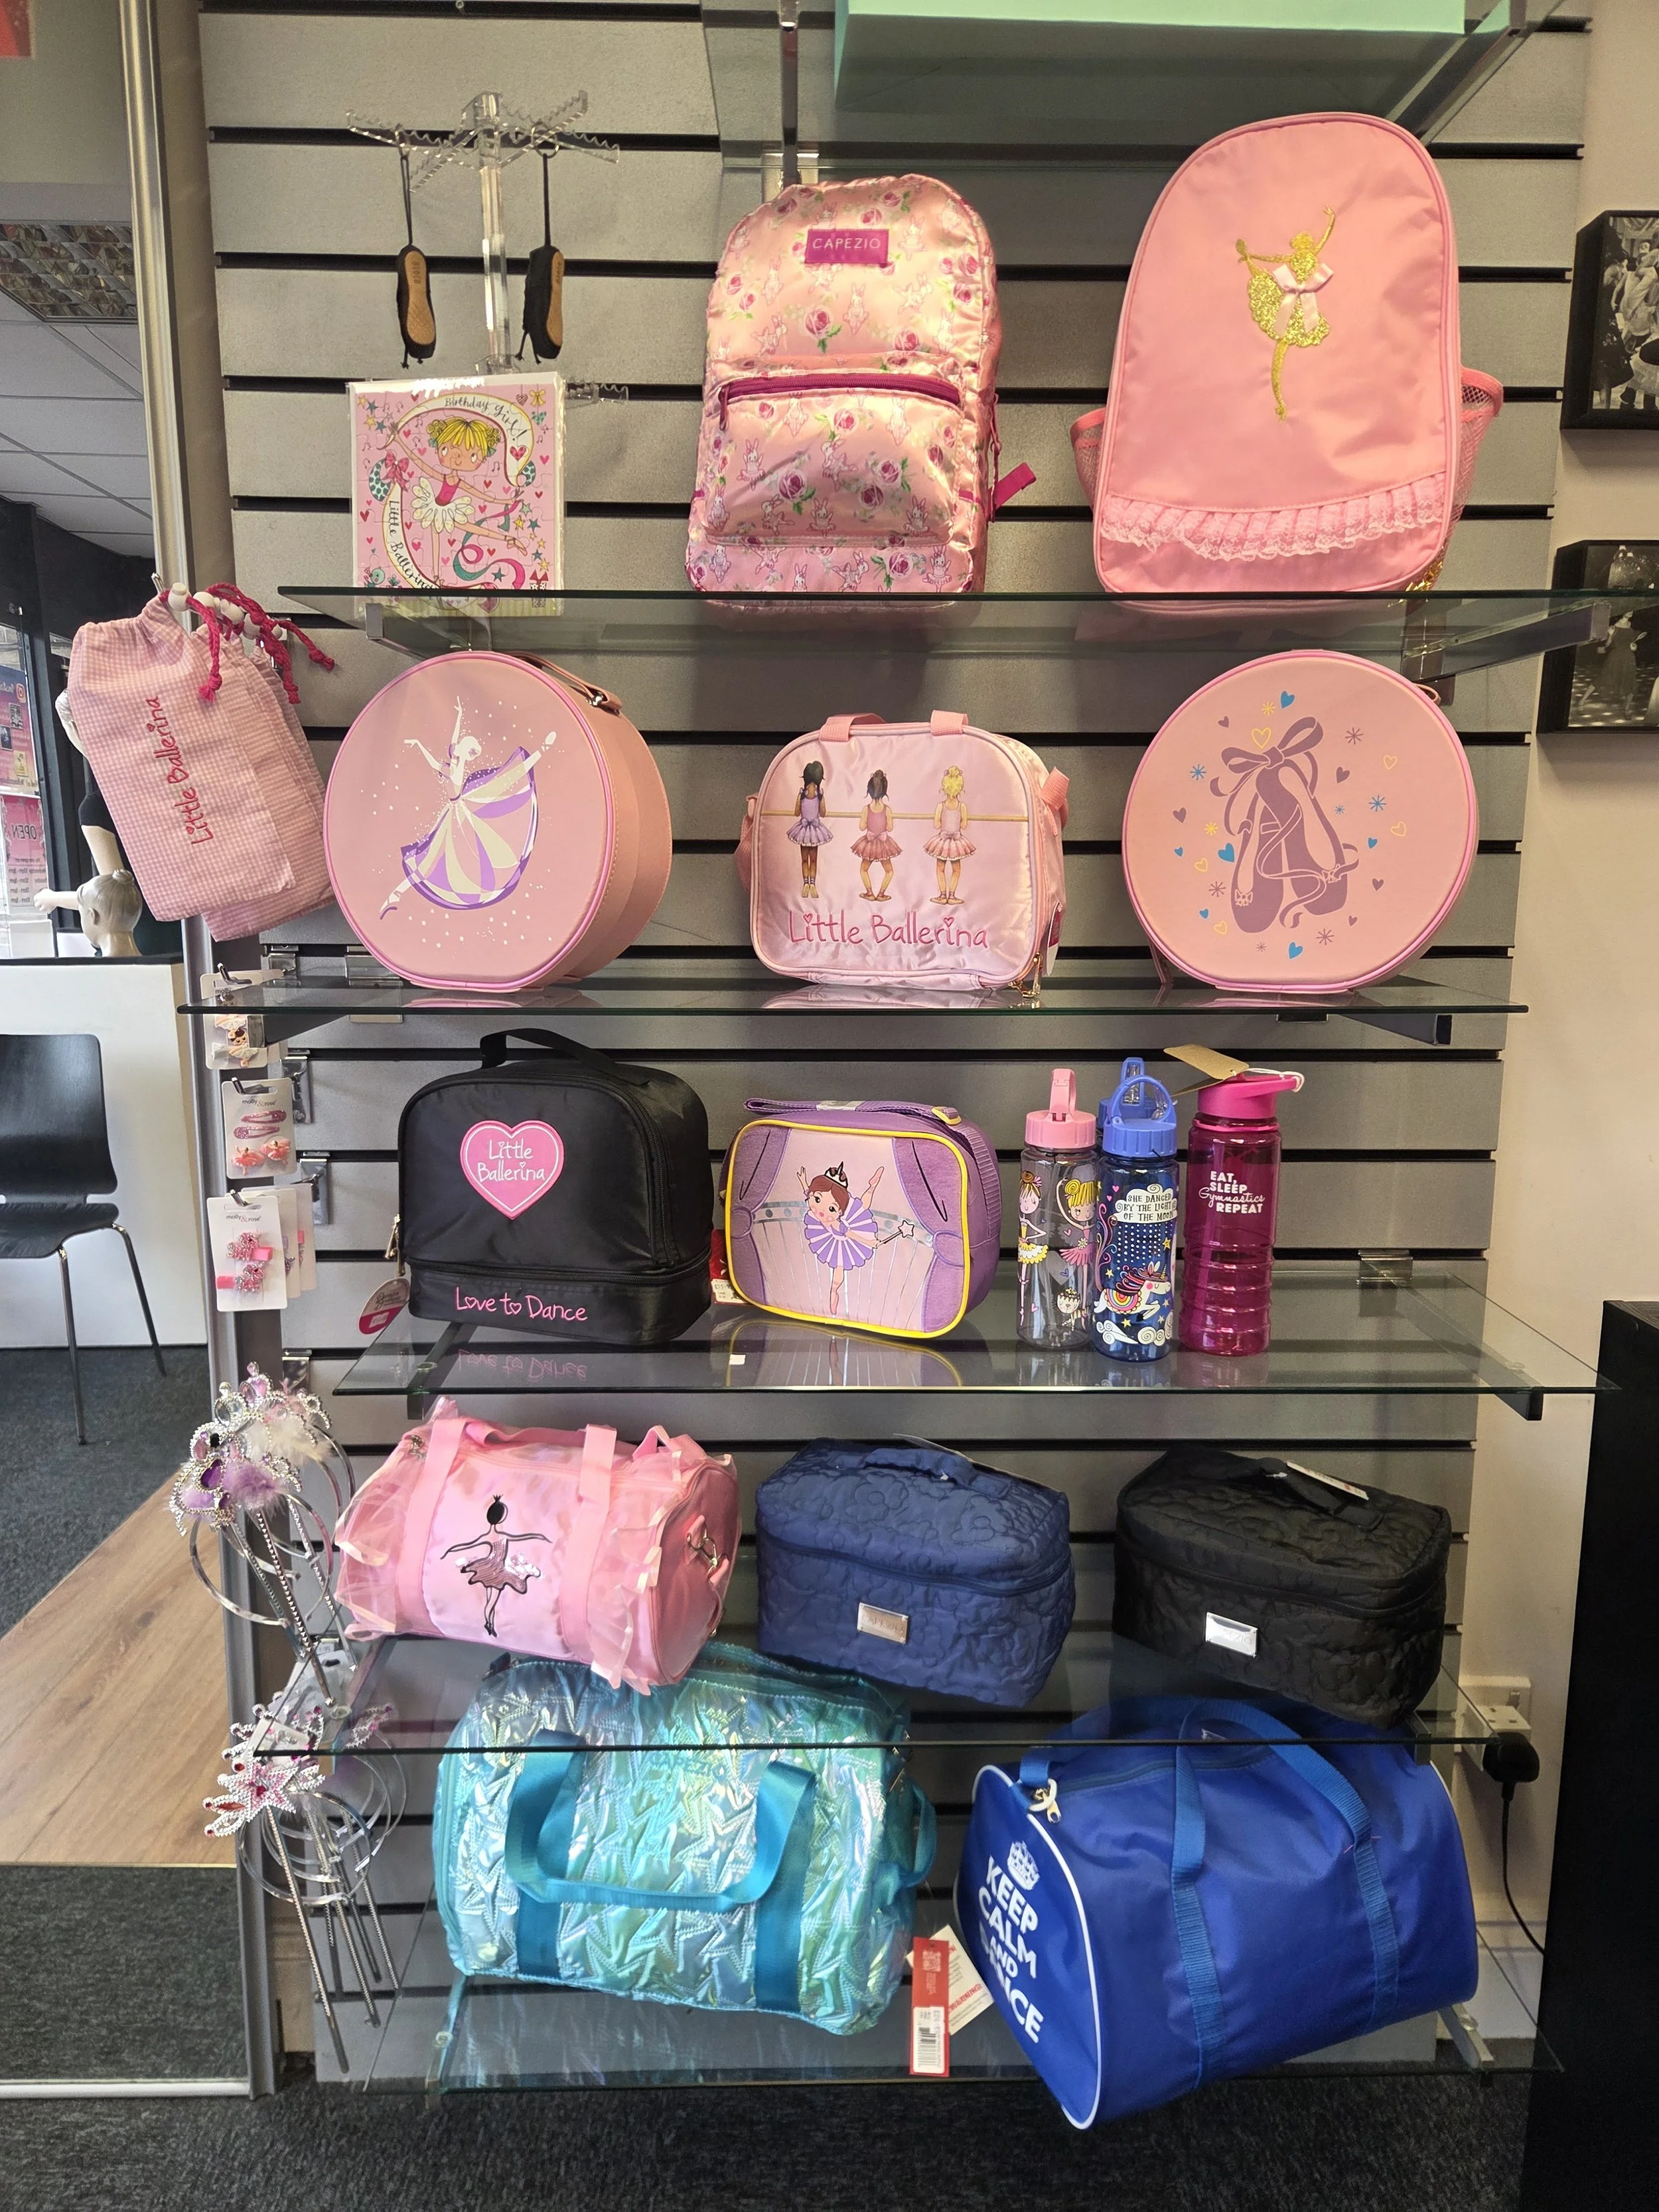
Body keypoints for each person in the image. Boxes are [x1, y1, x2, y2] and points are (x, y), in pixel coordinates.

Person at [441, 1496, 549, 1638]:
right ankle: (488, 1623)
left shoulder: (488, 1536)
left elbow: (468, 1544)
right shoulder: (501, 1536)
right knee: (491, 1601)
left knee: (489, 1601)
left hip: (490, 1568)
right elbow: (520, 1537)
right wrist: (539, 1537)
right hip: (496, 1570)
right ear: (501, 1518)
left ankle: (490, 1623)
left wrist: (450, 1550)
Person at [925, 764, 975, 904]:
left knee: (940, 868)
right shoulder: (962, 806)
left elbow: (936, 825)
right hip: (956, 841)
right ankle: (952, 895)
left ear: (945, 787)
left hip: (942, 840)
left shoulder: (940, 806)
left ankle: (942, 895)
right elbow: (964, 825)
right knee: (956, 869)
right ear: (960, 788)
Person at [851, 769, 901, 901]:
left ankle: (869, 893)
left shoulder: (866, 809)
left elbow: (862, 827)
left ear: (870, 789)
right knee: (889, 871)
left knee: (864, 869)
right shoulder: (887, 809)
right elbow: (889, 828)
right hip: (884, 844)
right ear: (884, 790)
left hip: (870, 843)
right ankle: (881, 893)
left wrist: (868, 822)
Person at [788, 758, 833, 896]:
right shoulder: (805, 795)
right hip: (806, 828)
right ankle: (807, 884)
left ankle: (810, 884)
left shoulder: (811, 796)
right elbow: (821, 814)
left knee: (809, 859)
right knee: (809, 859)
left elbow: (822, 813)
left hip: (812, 828)